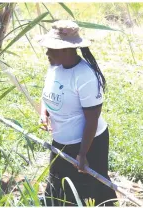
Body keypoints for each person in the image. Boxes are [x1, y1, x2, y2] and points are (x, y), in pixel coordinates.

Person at [37, 20, 117, 206]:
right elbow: (46, 94)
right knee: (57, 183)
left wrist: (82, 154)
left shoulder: (85, 76)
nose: (47, 52)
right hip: (61, 139)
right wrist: (44, 113)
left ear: (66, 50)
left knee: (92, 187)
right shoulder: (54, 68)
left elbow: (92, 119)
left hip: (88, 142)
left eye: (51, 48)